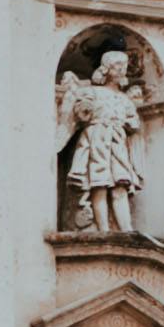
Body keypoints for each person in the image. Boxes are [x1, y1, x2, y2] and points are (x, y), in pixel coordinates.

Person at [58, 35, 152, 234]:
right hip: (97, 141)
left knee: (120, 186)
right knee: (98, 186)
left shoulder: (124, 99)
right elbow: (80, 113)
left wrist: (128, 120)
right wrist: (83, 106)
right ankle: (103, 229)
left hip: (117, 144)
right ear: (107, 69)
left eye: (124, 67)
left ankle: (126, 229)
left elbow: (134, 123)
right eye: (118, 66)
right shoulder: (93, 92)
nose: (122, 70)